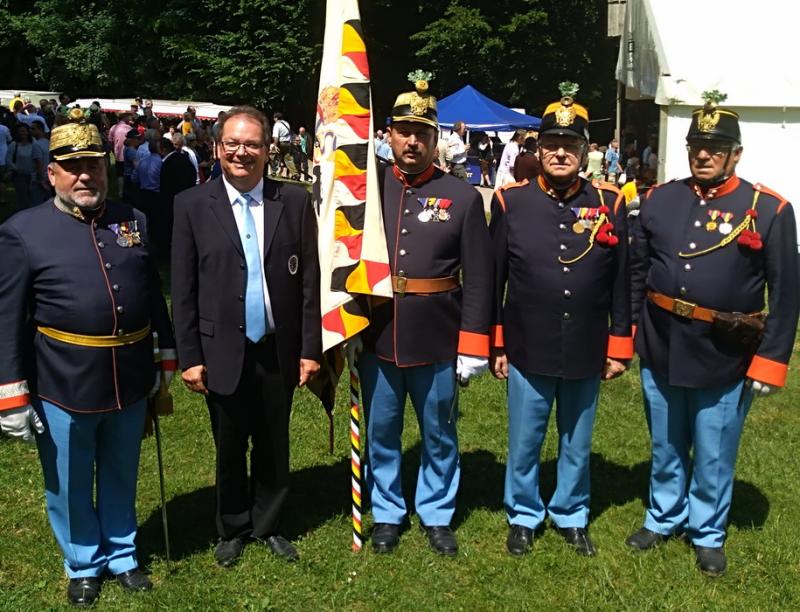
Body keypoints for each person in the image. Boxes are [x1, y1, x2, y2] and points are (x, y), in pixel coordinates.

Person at [0, 110, 176, 607]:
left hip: (129, 376)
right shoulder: (22, 232)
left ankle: (122, 553)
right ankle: (82, 560)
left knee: (122, 468)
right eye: (73, 167)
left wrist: (165, 353)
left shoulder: (132, 219)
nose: (85, 176)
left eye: (94, 166)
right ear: (50, 172)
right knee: (72, 478)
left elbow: (149, 291)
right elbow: (7, 318)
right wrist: (10, 393)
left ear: (108, 168)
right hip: (63, 379)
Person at [626, 93, 800, 576]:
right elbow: (639, 270)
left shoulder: (767, 209)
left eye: (715, 147)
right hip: (661, 341)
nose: (703, 155)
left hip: (723, 350)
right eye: (696, 146)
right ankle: (663, 515)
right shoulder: (661, 199)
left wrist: (771, 360)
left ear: (736, 153)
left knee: (715, 446)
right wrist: (634, 331)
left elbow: (786, 294)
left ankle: (706, 529)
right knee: (664, 441)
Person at [171, 106, 321, 568]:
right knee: (230, 442)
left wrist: (310, 349)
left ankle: (269, 523)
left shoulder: (293, 202)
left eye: (252, 144)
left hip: (278, 346)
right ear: (217, 148)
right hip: (220, 349)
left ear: (267, 150)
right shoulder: (192, 205)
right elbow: (183, 287)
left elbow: (310, 282)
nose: (242, 152)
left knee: (275, 441)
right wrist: (189, 355)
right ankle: (233, 525)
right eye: (232, 144)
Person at [490, 84, 632, 558]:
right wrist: (497, 342)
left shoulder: (609, 202)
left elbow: (623, 281)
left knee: (577, 439)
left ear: (586, 150)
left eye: (570, 145)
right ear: (539, 148)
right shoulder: (512, 202)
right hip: (529, 342)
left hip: (588, 343)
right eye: (551, 144)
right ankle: (523, 513)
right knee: (525, 438)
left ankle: (571, 512)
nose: (559, 153)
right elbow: (494, 280)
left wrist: (619, 345)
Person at [359, 74, 492, 557]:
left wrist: (474, 344)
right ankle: (388, 511)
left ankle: (436, 510)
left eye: (422, 133)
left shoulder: (460, 196)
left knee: (439, 431)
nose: (412, 141)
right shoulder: (366, 191)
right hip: (378, 332)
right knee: (382, 430)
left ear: (437, 140)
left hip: (438, 335)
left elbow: (479, 275)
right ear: (388, 135)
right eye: (403, 131)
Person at [6, 123, 44, 210]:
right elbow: (8, 159)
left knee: (34, 197)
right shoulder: (14, 145)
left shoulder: (35, 143)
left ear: (28, 131)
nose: (22, 133)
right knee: (22, 197)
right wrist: (15, 168)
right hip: (20, 176)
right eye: (19, 131)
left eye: (24, 131)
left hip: (33, 175)